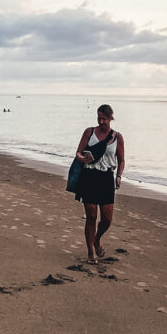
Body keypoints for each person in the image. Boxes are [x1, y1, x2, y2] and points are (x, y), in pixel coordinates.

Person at [72, 104, 125, 265]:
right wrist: (82, 158)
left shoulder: (117, 137)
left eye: (104, 119)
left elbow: (121, 160)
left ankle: (97, 239)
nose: (101, 122)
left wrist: (119, 176)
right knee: (91, 216)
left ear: (111, 119)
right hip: (89, 176)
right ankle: (90, 253)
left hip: (107, 178)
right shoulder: (89, 132)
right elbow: (78, 152)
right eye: (99, 118)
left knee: (107, 219)